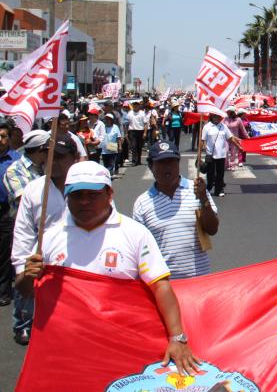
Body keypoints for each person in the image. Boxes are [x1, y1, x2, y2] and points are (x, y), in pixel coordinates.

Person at [19, 161, 200, 375]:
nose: (84, 202)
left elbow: (160, 287)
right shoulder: (49, 238)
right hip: (67, 350)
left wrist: (177, 338)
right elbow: (26, 290)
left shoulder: (135, 233)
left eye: (92, 195)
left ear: (109, 194)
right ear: (67, 197)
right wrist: (27, 277)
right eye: (77, 195)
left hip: (121, 347)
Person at [10, 134, 77, 345]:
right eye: (48, 156)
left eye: (60, 156)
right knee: (43, 333)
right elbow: (23, 234)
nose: (53, 161)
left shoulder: (87, 189)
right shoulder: (34, 189)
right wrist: (23, 270)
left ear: (74, 158)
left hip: (77, 270)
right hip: (42, 270)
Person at [133, 141, 219, 279]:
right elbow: (140, 249)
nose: (167, 167)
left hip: (199, 279)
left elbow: (212, 229)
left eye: (171, 162)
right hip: (163, 284)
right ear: (150, 166)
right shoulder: (142, 203)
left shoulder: (197, 190)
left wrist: (204, 199)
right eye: (161, 163)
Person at [3, 130, 47, 215]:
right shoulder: (15, 170)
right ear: (42, 149)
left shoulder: (46, 166)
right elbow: (26, 202)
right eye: (50, 149)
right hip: (28, 225)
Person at [0, 122, 20, 308]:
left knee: (4, 253)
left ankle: (3, 291)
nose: (0, 140)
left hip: (6, 211)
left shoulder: (15, 159)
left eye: (4, 136)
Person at [200, 111, 243, 198]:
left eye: (220, 117)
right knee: (210, 174)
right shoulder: (207, 127)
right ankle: (208, 187)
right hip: (210, 154)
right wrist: (200, 153)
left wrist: (239, 147)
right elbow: (202, 140)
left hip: (221, 154)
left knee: (220, 174)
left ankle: (219, 190)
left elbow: (230, 138)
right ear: (213, 117)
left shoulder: (223, 126)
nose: (220, 118)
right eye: (218, 117)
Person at [127, 101, 148, 165]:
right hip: (132, 131)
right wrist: (126, 132)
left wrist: (145, 133)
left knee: (139, 147)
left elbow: (145, 124)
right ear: (133, 106)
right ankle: (134, 161)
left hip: (140, 131)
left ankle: (138, 160)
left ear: (139, 106)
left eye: (137, 105)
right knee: (134, 146)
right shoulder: (130, 113)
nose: (135, 106)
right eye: (134, 105)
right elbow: (127, 122)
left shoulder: (142, 113)